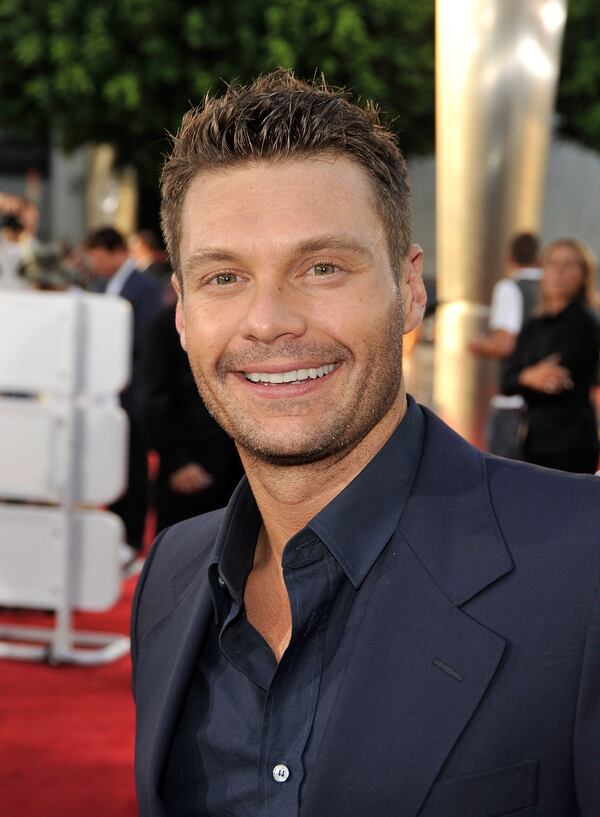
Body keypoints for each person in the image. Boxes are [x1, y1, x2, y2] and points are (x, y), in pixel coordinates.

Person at [131, 72, 600, 817]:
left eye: (321, 267)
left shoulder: (585, 564)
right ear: (184, 314)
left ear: (409, 289)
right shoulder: (172, 576)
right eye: (224, 276)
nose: (268, 321)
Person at [85, 227, 162, 552]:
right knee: (111, 461)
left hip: (132, 391)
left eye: (99, 257)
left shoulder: (144, 287)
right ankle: (114, 530)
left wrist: (106, 343)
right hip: (104, 394)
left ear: (116, 251)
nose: (96, 265)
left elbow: (146, 339)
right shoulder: (103, 284)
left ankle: (132, 535)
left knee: (132, 464)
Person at [140, 303, 244, 532]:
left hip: (241, 470)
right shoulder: (165, 324)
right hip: (192, 468)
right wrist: (176, 463)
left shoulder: (245, 319)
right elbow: (154, 399)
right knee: (183, 551)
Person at [502, 238, 600, 473]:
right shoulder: (534, 325)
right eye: (553, 264)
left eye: (569, 265)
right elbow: (506, 380)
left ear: (583, 274)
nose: (559, 272)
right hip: (532, 440)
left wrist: (524, 375)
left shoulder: (587, 323)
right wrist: (528, 376)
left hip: (572, 442)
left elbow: (556, 377)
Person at [469, 232, 542, 458]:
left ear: (510, 257)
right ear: (539, 257)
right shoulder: (552, 289)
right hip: (551, 407)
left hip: (515, 404)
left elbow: (505, 344)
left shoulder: (510, 288)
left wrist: (480, 345)